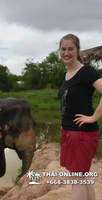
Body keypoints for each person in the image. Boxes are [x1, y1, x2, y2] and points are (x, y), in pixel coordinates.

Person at [58, 33, 102, 200]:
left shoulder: (86, 72)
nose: (66, 53)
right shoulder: (66, 75)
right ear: (59, 51)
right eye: (63, 49)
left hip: (83, 134)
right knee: (81, 176)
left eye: (70, 49)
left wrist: (93, 117)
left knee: (77, 178)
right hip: (69, 132)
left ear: (77, 50)